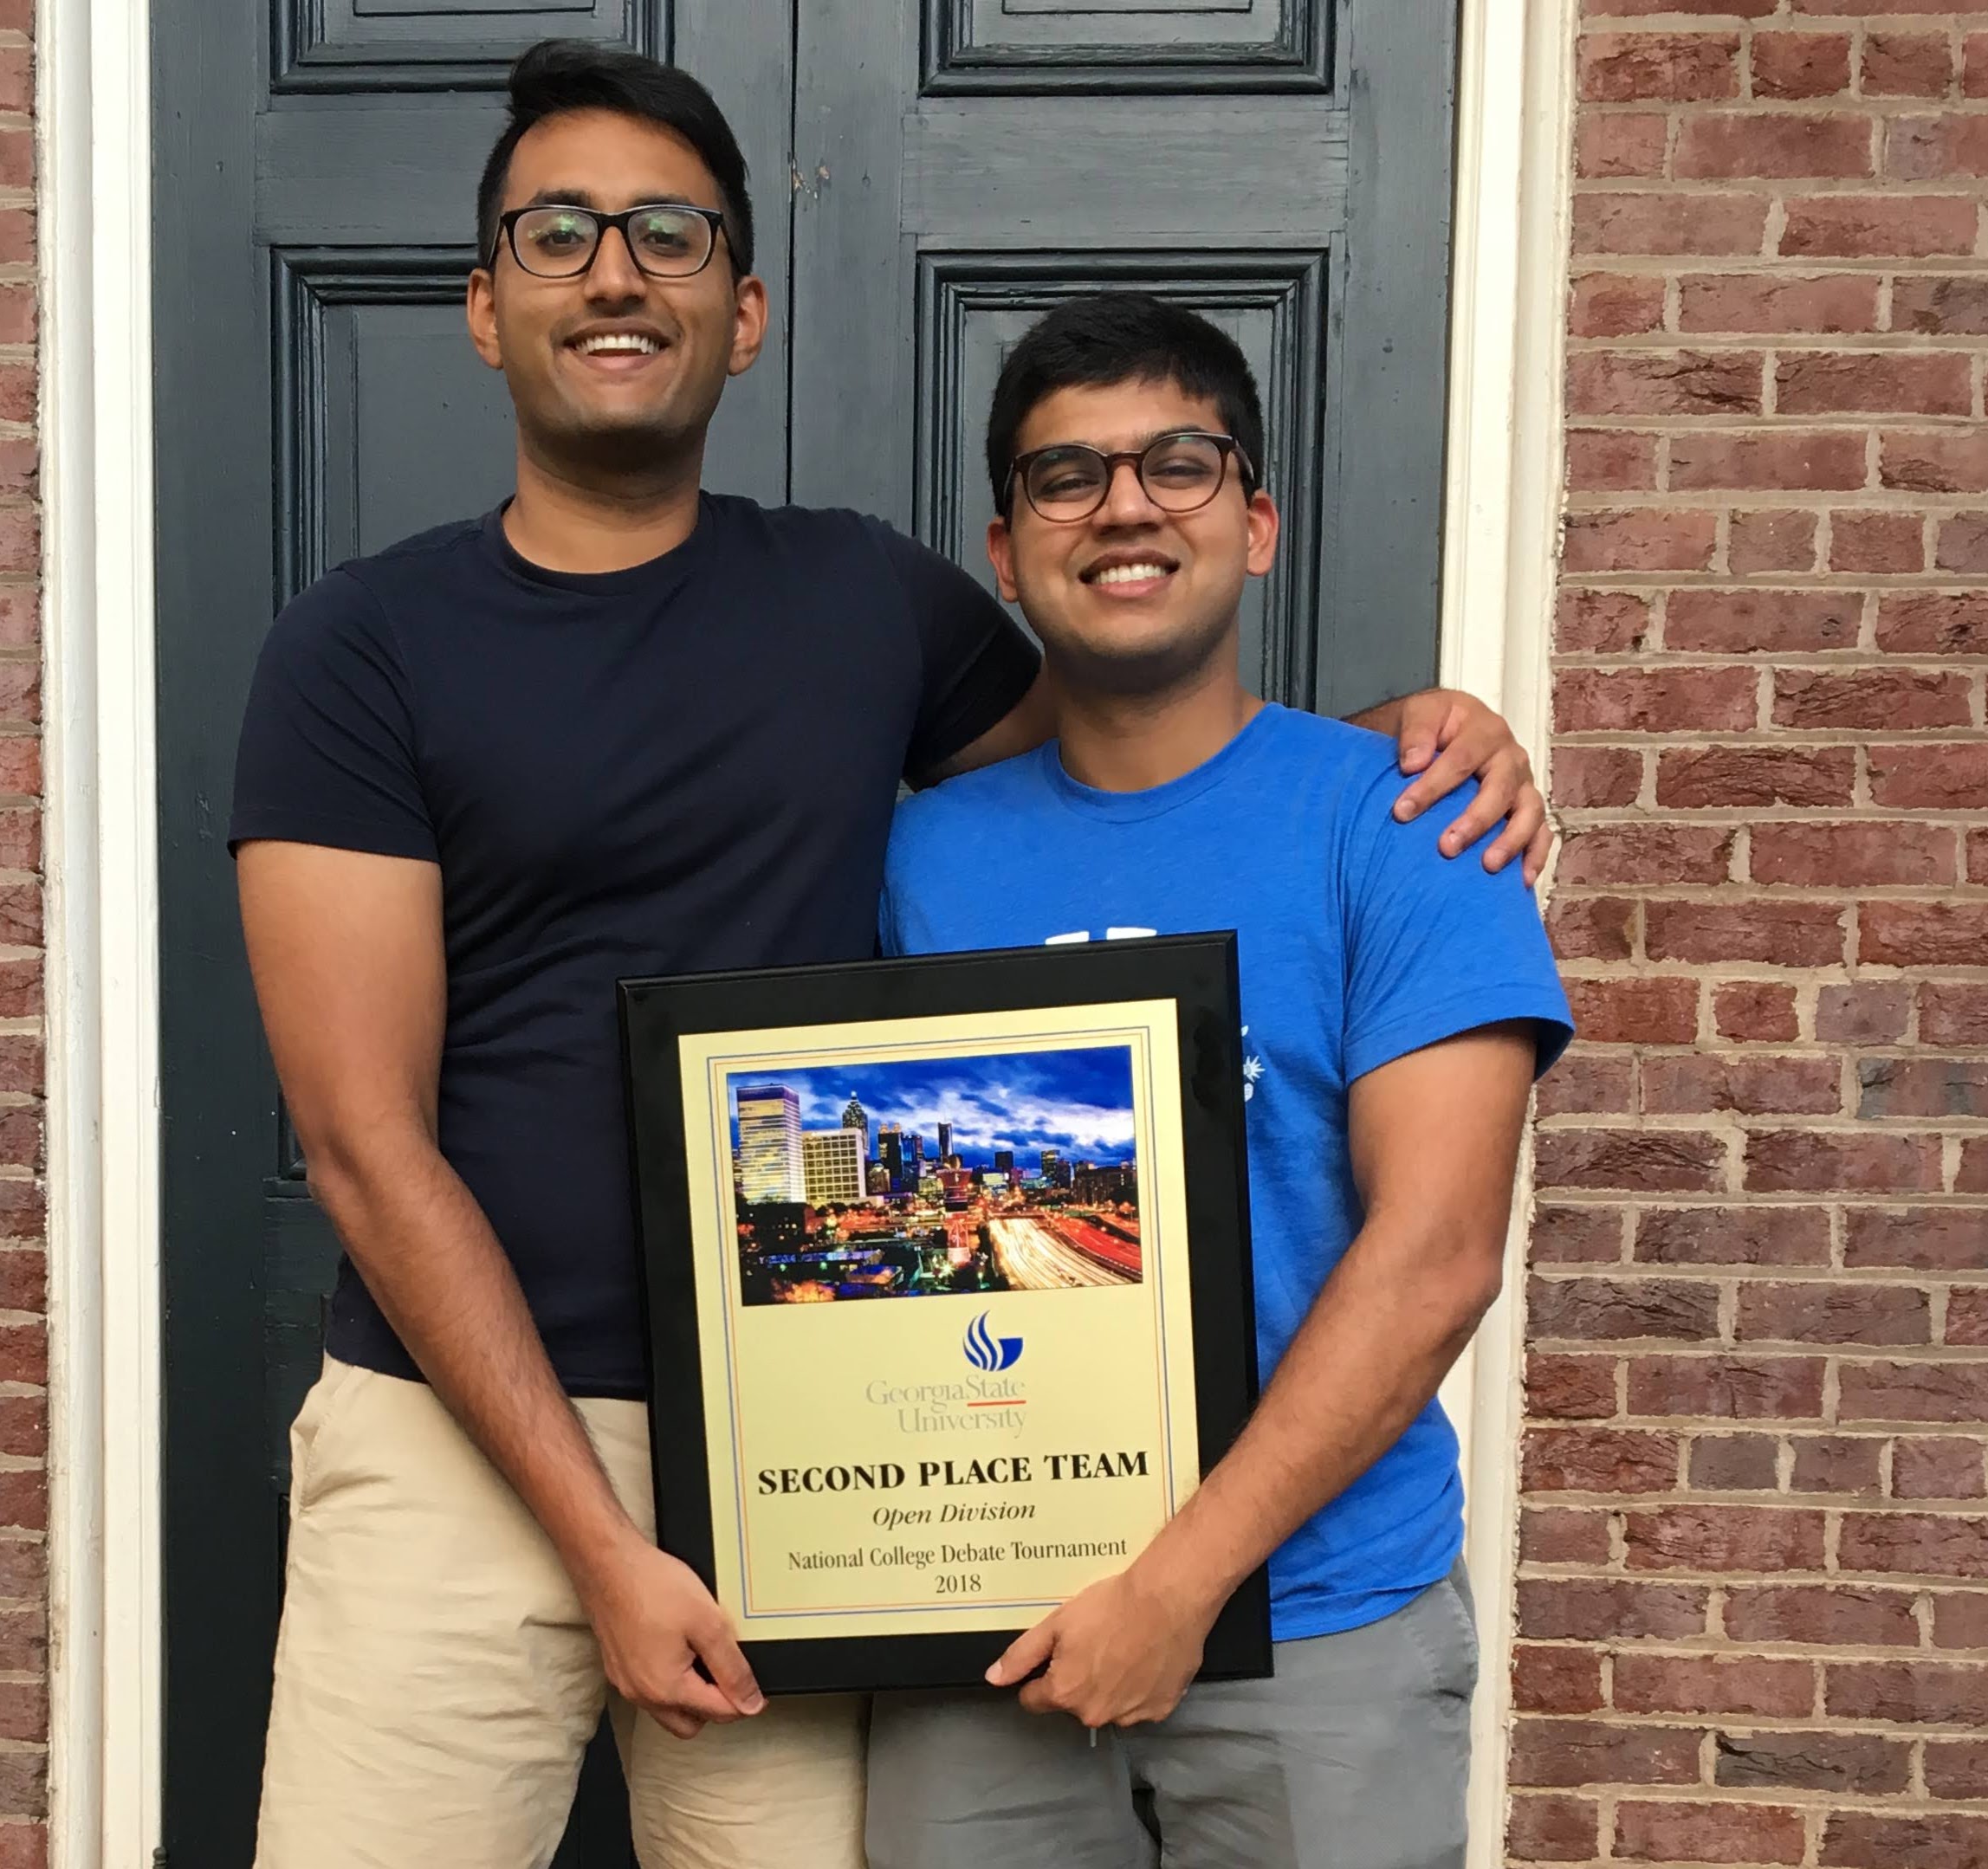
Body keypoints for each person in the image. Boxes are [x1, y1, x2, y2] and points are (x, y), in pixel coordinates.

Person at [227, 40, 1552, 1869]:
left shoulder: (865, 601)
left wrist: (1396, 744)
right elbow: (362, 1140)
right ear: (481, 303)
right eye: (557, 232)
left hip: (815, 1462)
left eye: (669, 233)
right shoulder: (358, 648)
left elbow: (1143, 740)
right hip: (454, 1439)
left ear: (744, 310)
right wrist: (604, 1543)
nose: (614, 272)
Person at [865, 295, 1574, 1869]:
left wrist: (1172, 1587)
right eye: (1067, 476)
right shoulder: (915, 857)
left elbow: (1437, 1252)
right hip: (979, 1618)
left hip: (1320, 1623)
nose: (1123, 506)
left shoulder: (1414, 823)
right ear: (1006, 554)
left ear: (1254, 524)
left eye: (1176, 463)